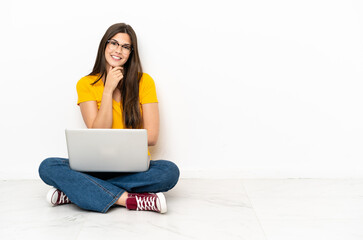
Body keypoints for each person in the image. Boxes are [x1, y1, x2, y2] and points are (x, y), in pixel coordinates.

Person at [38, 23, 180, 214]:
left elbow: (152, 137)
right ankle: (130, 200)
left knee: (169, 171)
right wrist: (108, 90)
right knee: (48, 166)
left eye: (125, 46)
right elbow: (97, 132)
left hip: (133, 168)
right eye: (113, 43)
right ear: (104, 46)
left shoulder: (144, 82)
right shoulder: (86, 84)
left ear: (131, 53)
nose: (118, 50)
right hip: (95, 167)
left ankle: (74, 192)